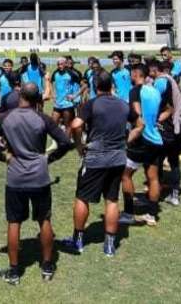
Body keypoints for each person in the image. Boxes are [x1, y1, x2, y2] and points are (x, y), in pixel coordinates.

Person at [0, 83, 73, 284]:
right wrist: (49, 158)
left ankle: (14, 270)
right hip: (39, 176)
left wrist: (3, 157)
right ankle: (47, 265)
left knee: (14, 222)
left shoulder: (6, 118)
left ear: (20, 95)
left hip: (16, 176)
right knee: (44, 220)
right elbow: (66, 142)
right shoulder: (42, 118)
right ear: (38, 98)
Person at [63, 71, 130, 256]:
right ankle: (109, 245)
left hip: (95, 158)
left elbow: (76, 125)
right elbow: (139, 124)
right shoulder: (123, 105)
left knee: (82, 197)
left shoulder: (91, 104)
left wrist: (79, 146)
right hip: (118, 158)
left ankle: (77, 240)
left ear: (94, 85)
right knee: (112, 200)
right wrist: (126, 142)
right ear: (112, 85)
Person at [120, 64, 171, 227]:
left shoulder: (135, 90)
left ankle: (128, 213)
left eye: (131, 73)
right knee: (153, 177)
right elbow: (169, 109)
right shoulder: (155, 90)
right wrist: (157, 120)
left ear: (136, 74)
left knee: (125, 175)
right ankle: (152, 214)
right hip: (156, 140)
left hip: (141, 139)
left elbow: (136, 114)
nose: (129, 76)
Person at [152, 61, 181, 206]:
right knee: (174, 161)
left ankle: (157, 191)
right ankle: (174, 193)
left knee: (157, 160)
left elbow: (159, 104)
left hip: (167, 127)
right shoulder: (171, 79)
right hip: (176, 125)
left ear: (154, 69)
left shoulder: (160, 82)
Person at [48, 57, 81, 137]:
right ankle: (57, 142)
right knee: (53, 123)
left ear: (65, 64)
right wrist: (53, 94)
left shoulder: (71, 73)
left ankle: (67, 142)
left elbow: (83, 85)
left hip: (68, 103)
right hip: (58, 103)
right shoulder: (55, 73)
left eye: (61, 64)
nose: (60, 66)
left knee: (67, 125)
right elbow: (50, 82)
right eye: (58, 64)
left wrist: (75, 95)